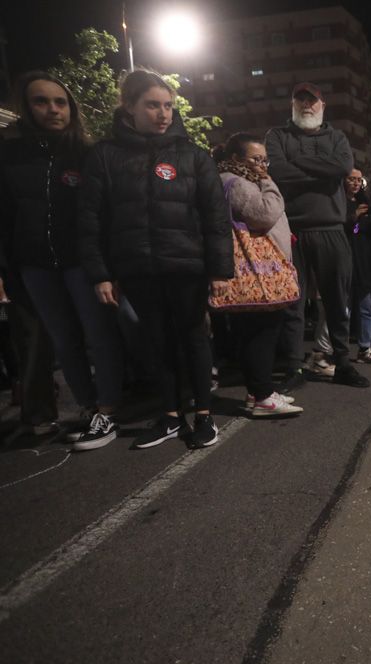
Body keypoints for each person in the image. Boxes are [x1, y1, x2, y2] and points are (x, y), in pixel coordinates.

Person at [78, 69, 233, 449]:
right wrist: (100, 273)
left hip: (188, 267)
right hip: (136, 268)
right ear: (129, 106)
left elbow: (215, 217)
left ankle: (203, 416)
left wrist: (219, 270)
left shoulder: (193, 156)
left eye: (168, 105)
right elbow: (89, 219)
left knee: (195, 339)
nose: (163, 113)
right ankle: (169, 416)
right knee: (157, 342)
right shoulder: (105, 155)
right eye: (152, 105)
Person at [0, 71, 125, 450]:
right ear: (26, 107)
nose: (53, 109)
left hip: (82, 263)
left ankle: (108, 408)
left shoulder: (88, 154)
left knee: (98, 336)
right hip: (34, 265)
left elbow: (104, 215)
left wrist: (107, 265)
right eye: (42, 101)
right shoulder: (9, 156)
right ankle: (89, 407)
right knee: (63, 340)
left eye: (60, 102)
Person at [265, 82, 369, 388]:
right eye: (300, 100)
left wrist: (297, 162)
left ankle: (343, 362)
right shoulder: (277, 136)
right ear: (292, 105)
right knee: (293, 303)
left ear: (322, 106)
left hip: (331, 228)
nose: (306, 105)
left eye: (312, 101)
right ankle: (294, 368)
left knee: (337, 300)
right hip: (291, 230)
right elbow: (278, 172)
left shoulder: (337, 137)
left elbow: (343, 167)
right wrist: (323, 171)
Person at [215, 133, 303, 417]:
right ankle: (262, 395)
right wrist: (268, 182)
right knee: (262, 331)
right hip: (255, 270)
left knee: (256, 331)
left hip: (257, 268)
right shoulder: (235, 181)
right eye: (256, 159)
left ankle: (258, 392)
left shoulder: (237, 179)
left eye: (265, 160)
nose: (263, 165)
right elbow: (264, 213)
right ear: (237, 159)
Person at [345, 168, 371, 364]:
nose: (356, 183)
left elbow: (366, 232)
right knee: (344, 309)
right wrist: (354, 217)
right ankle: (340, 351)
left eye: (359, 180)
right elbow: (351, 230)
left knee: (366, 308)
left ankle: (365, 348)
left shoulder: (366, 202)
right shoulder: (339, 203)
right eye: (352, 179)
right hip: (346, 259)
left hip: (365, 260)